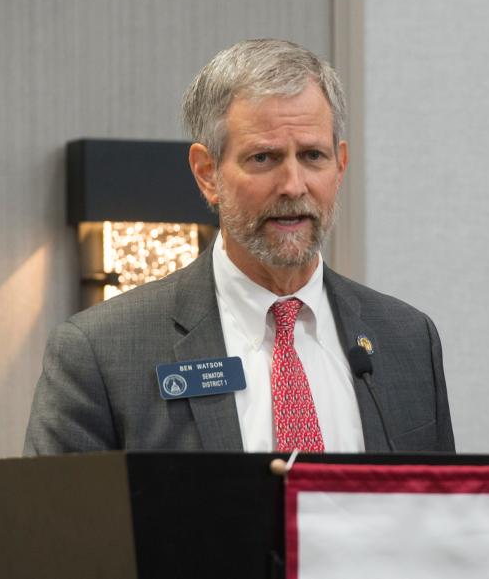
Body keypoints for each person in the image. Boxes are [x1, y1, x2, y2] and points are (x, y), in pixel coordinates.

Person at [24, 39, 454, 454]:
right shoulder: (101, 353)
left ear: (340, 165)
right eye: (263, 158)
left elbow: (443, 519)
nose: (293, 185)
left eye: (312, 156)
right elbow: (59, 528)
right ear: (207, 173)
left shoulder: (407, 340)